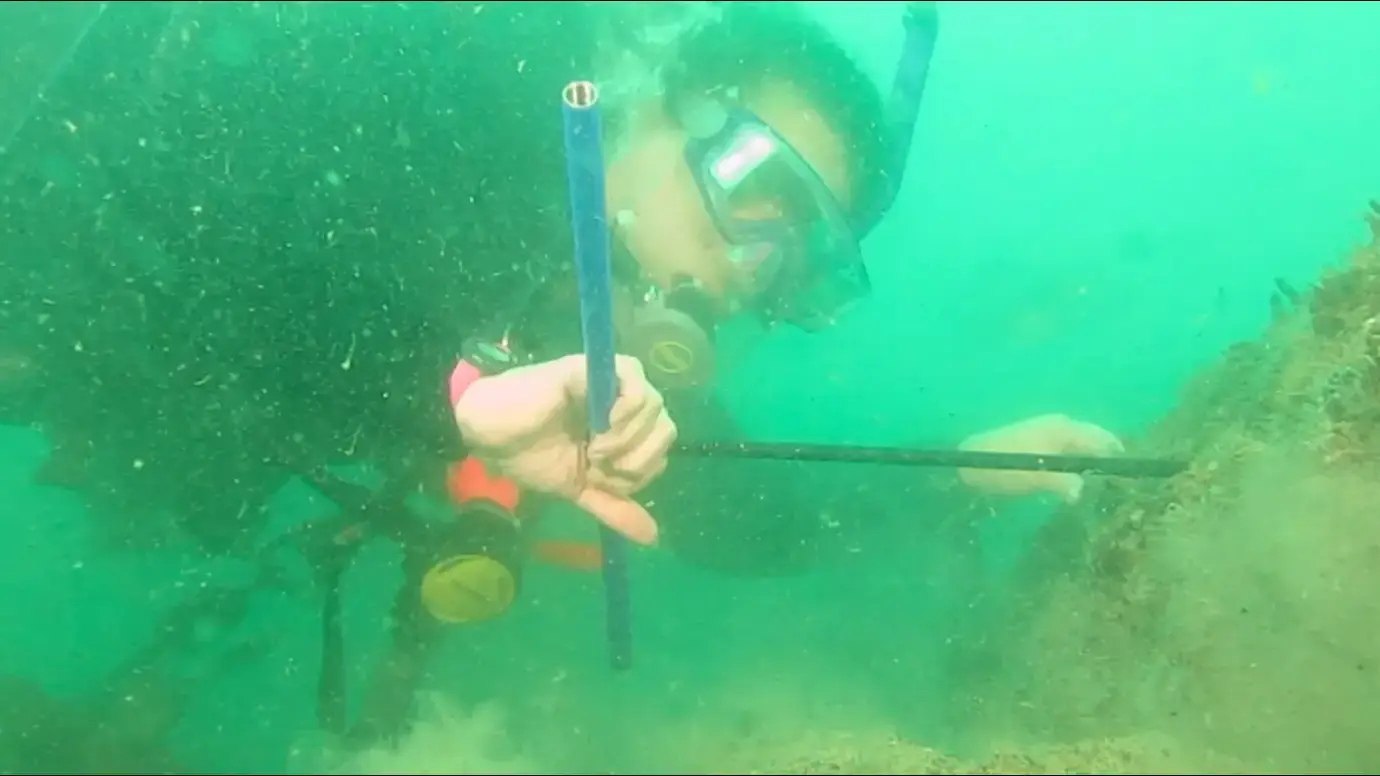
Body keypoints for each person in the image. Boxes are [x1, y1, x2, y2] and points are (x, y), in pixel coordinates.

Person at [0, 0, 1122, 745]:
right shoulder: (448, 72)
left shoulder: (589, 336)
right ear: (651, 94)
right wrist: (447, 388)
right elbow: (250, 207)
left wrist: (954, 475)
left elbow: (731, 506)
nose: (746, 270)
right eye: (749, 190)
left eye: (798, 265)